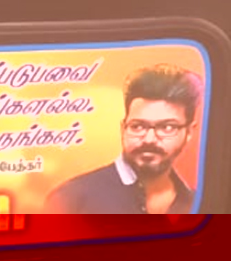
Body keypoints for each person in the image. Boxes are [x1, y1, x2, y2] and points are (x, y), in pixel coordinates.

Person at [45, 65, 203, 215]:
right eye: (138, 126)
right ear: (123, 129)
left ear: (189, 132)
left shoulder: (200, 201)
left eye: (167, 127)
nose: (149, 139)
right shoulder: (71, 198)